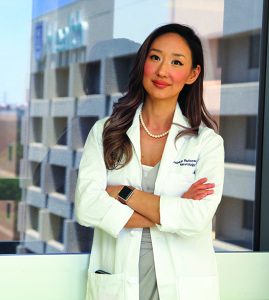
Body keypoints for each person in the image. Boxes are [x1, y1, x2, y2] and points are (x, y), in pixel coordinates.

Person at [75, 23, 224, 300]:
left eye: (176, 62)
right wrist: (171, 209)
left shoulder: (207, 142)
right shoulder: (105, 132)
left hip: (182, 287)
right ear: (143, 62)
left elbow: (197, 217)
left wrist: (123, 193)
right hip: (119, 283)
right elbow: (86, 207)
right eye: (155, 57)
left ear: (192, 74)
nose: (162, 71)